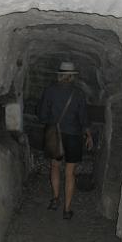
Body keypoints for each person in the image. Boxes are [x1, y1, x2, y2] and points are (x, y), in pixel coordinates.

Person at [38, 62, 93, 219]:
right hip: (74, 136)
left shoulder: (50, 90)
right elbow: (84, 118)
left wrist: (51, 121)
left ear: (59, 75)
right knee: (70, 173)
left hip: (55, 134)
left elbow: (42, 114)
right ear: (72, 76)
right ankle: (67, 209)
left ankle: (55, 199)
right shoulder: (78, 93)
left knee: (55, 166)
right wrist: (88, 135)